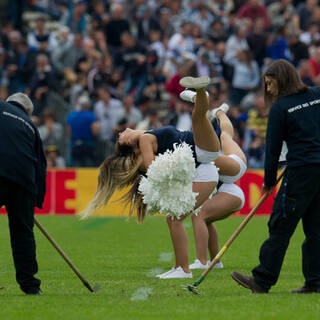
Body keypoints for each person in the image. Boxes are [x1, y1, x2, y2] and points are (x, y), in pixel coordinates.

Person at [82, 76, 221, 279]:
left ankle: (201, 94)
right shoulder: (146, 139)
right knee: (174, 218)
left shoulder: (146, 133)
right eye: (120, 137)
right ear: (130, 144)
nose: (121, 132)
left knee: (174, 219)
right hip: (203, 156)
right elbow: (150, 165)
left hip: (203, 156)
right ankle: (181, 269)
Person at [231, 59, 320, 294]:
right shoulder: (317, 94)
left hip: (300, 171)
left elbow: (272, 148)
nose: (268, 90)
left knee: (280, 225)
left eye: (270, 84)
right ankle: (315, 281)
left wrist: (268, 181)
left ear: (281, 80)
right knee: (316, 229)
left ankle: (262, 280)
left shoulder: (280, 108)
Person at [179, 91, 247, 269]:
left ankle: (201, 262)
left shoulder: (200, 152)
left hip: (235, 167)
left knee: (198, 214)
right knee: (225, 136)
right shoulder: (198, 152)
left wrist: (199, 104)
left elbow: (199, 122)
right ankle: (220, 112)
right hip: (230, 183)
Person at [0, 93, 47, 294]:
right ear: (27, 110)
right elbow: (41, 165)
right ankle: (30, 286)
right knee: (23, 234)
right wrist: (34, 201)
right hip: (24, 181)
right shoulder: (31, 126)